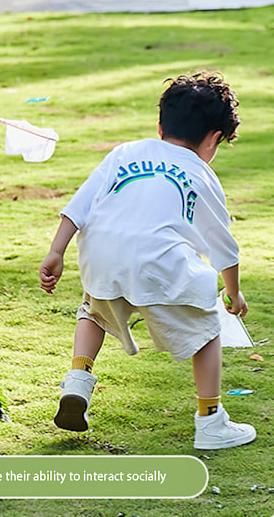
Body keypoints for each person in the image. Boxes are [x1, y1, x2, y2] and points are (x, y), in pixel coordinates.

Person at [39, 72, 256, 450]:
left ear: (160, 126)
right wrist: (233, 294)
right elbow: (223, 246)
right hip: (160, 265)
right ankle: (210, 421)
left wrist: (56, 251)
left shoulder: (125, 152)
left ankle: (78, 380)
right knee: (207, 330)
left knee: (93, 312)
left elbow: (80, 204)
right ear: (214, 138)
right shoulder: (201, 174)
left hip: (102, 259)